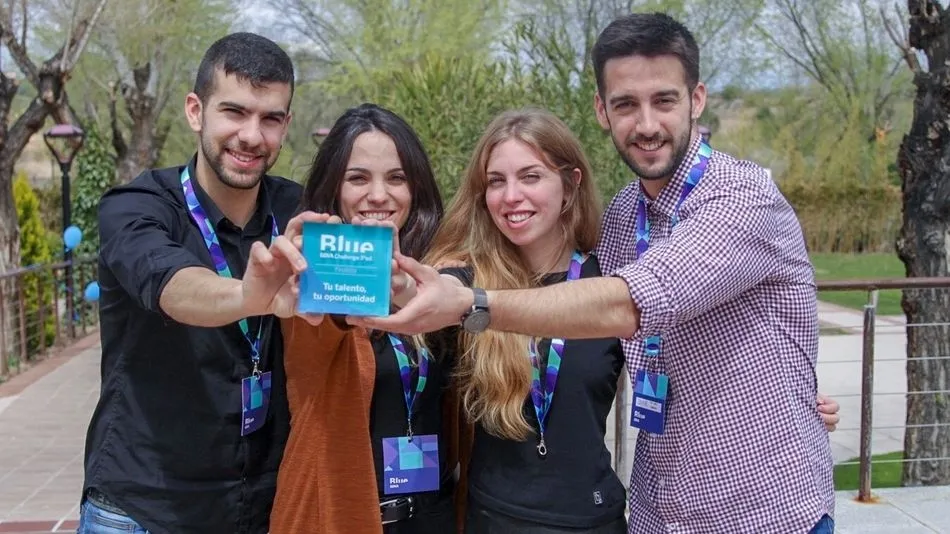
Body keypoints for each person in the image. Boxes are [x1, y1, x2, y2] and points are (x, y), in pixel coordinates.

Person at [350, 13, 837, 534]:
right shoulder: (626, 218)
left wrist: (475, 306)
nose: (646, 124)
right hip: (659, 511)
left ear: (697, 100)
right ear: (603, 111)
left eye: (664, 100)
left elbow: (629, 302)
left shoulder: (742, 197)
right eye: (626, 104)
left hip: (761, 512)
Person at [80, 32, 306, 534]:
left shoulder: (299, 212)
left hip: (262, 507)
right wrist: (250, 296)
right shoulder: (135, 207)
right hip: (144, 509)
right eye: (234, 111)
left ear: (286, 126)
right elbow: (173, 285)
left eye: (270, 118)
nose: (251, 136)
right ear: (195, 110)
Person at [422, 108, 628, 533]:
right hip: (490, 518)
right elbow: (412, 301)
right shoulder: (466, 282)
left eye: (531, 177)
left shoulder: (610, 284)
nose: (511, 196)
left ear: (570, 186)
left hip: (590, 519)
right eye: (496, 181)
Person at [268, 103, 455, 534]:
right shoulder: (311, 275)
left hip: (434, 517)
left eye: (396, 178)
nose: (378, 195)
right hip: (340, 516)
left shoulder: (438, 274)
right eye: (357, 178)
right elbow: (316, 329)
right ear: (334, 187)